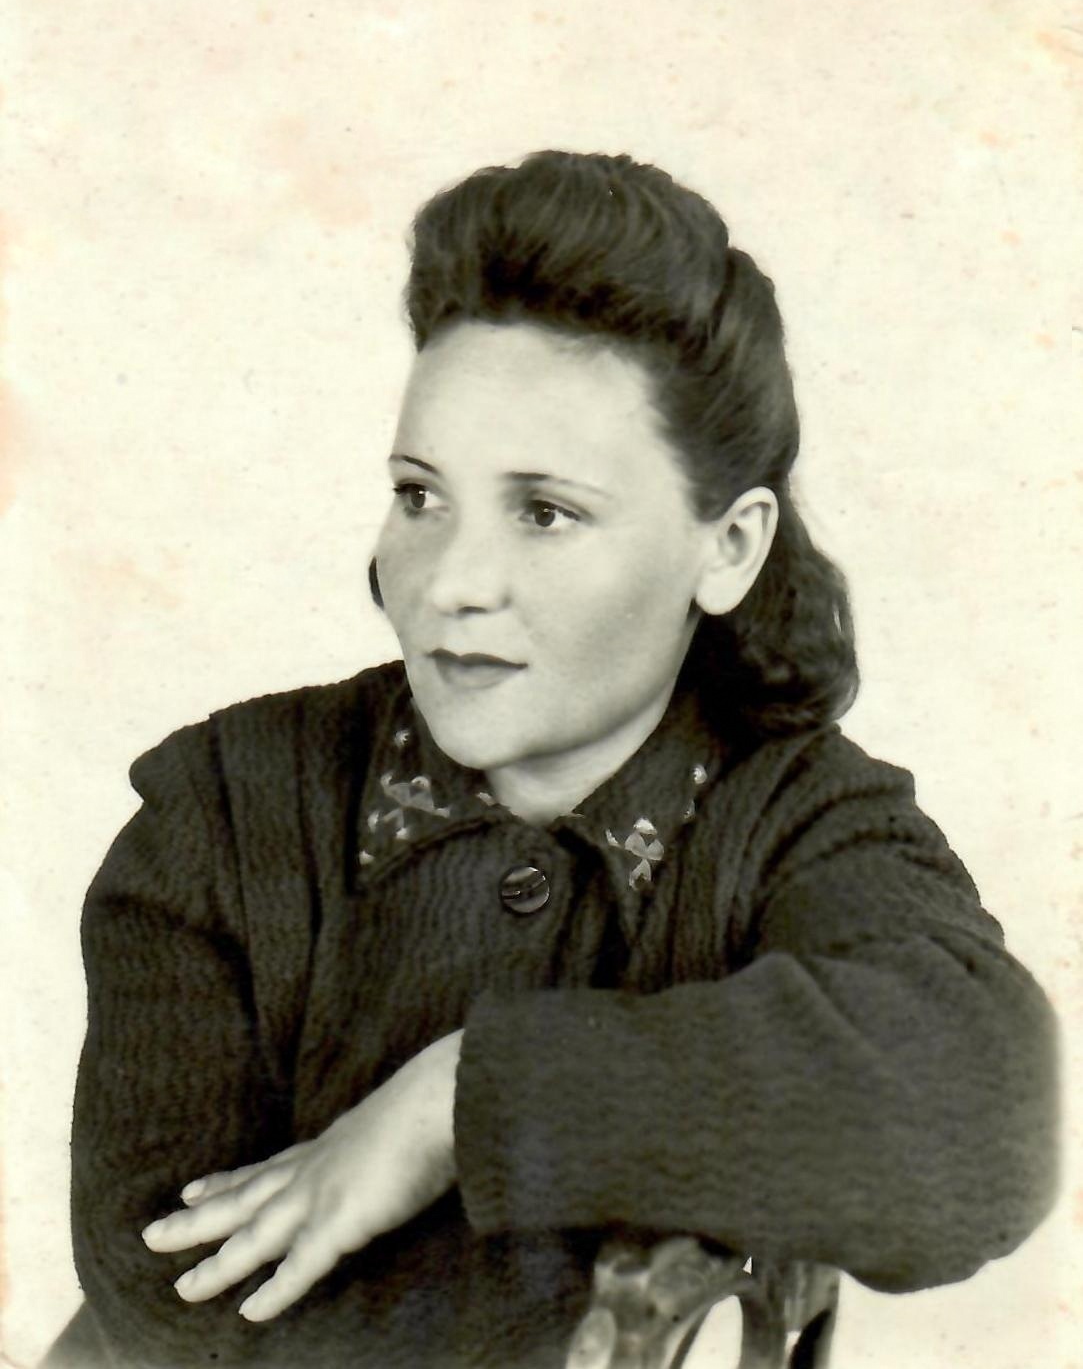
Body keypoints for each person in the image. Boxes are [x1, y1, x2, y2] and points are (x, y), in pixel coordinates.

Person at [48, 151, 1058, 1369]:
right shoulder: (221, 807)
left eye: (545, 511)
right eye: (420, 496)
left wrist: (460, 1102)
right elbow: (169, 1297)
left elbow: (984, 1121)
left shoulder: (800, 820)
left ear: (730, 547)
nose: (451, 583)